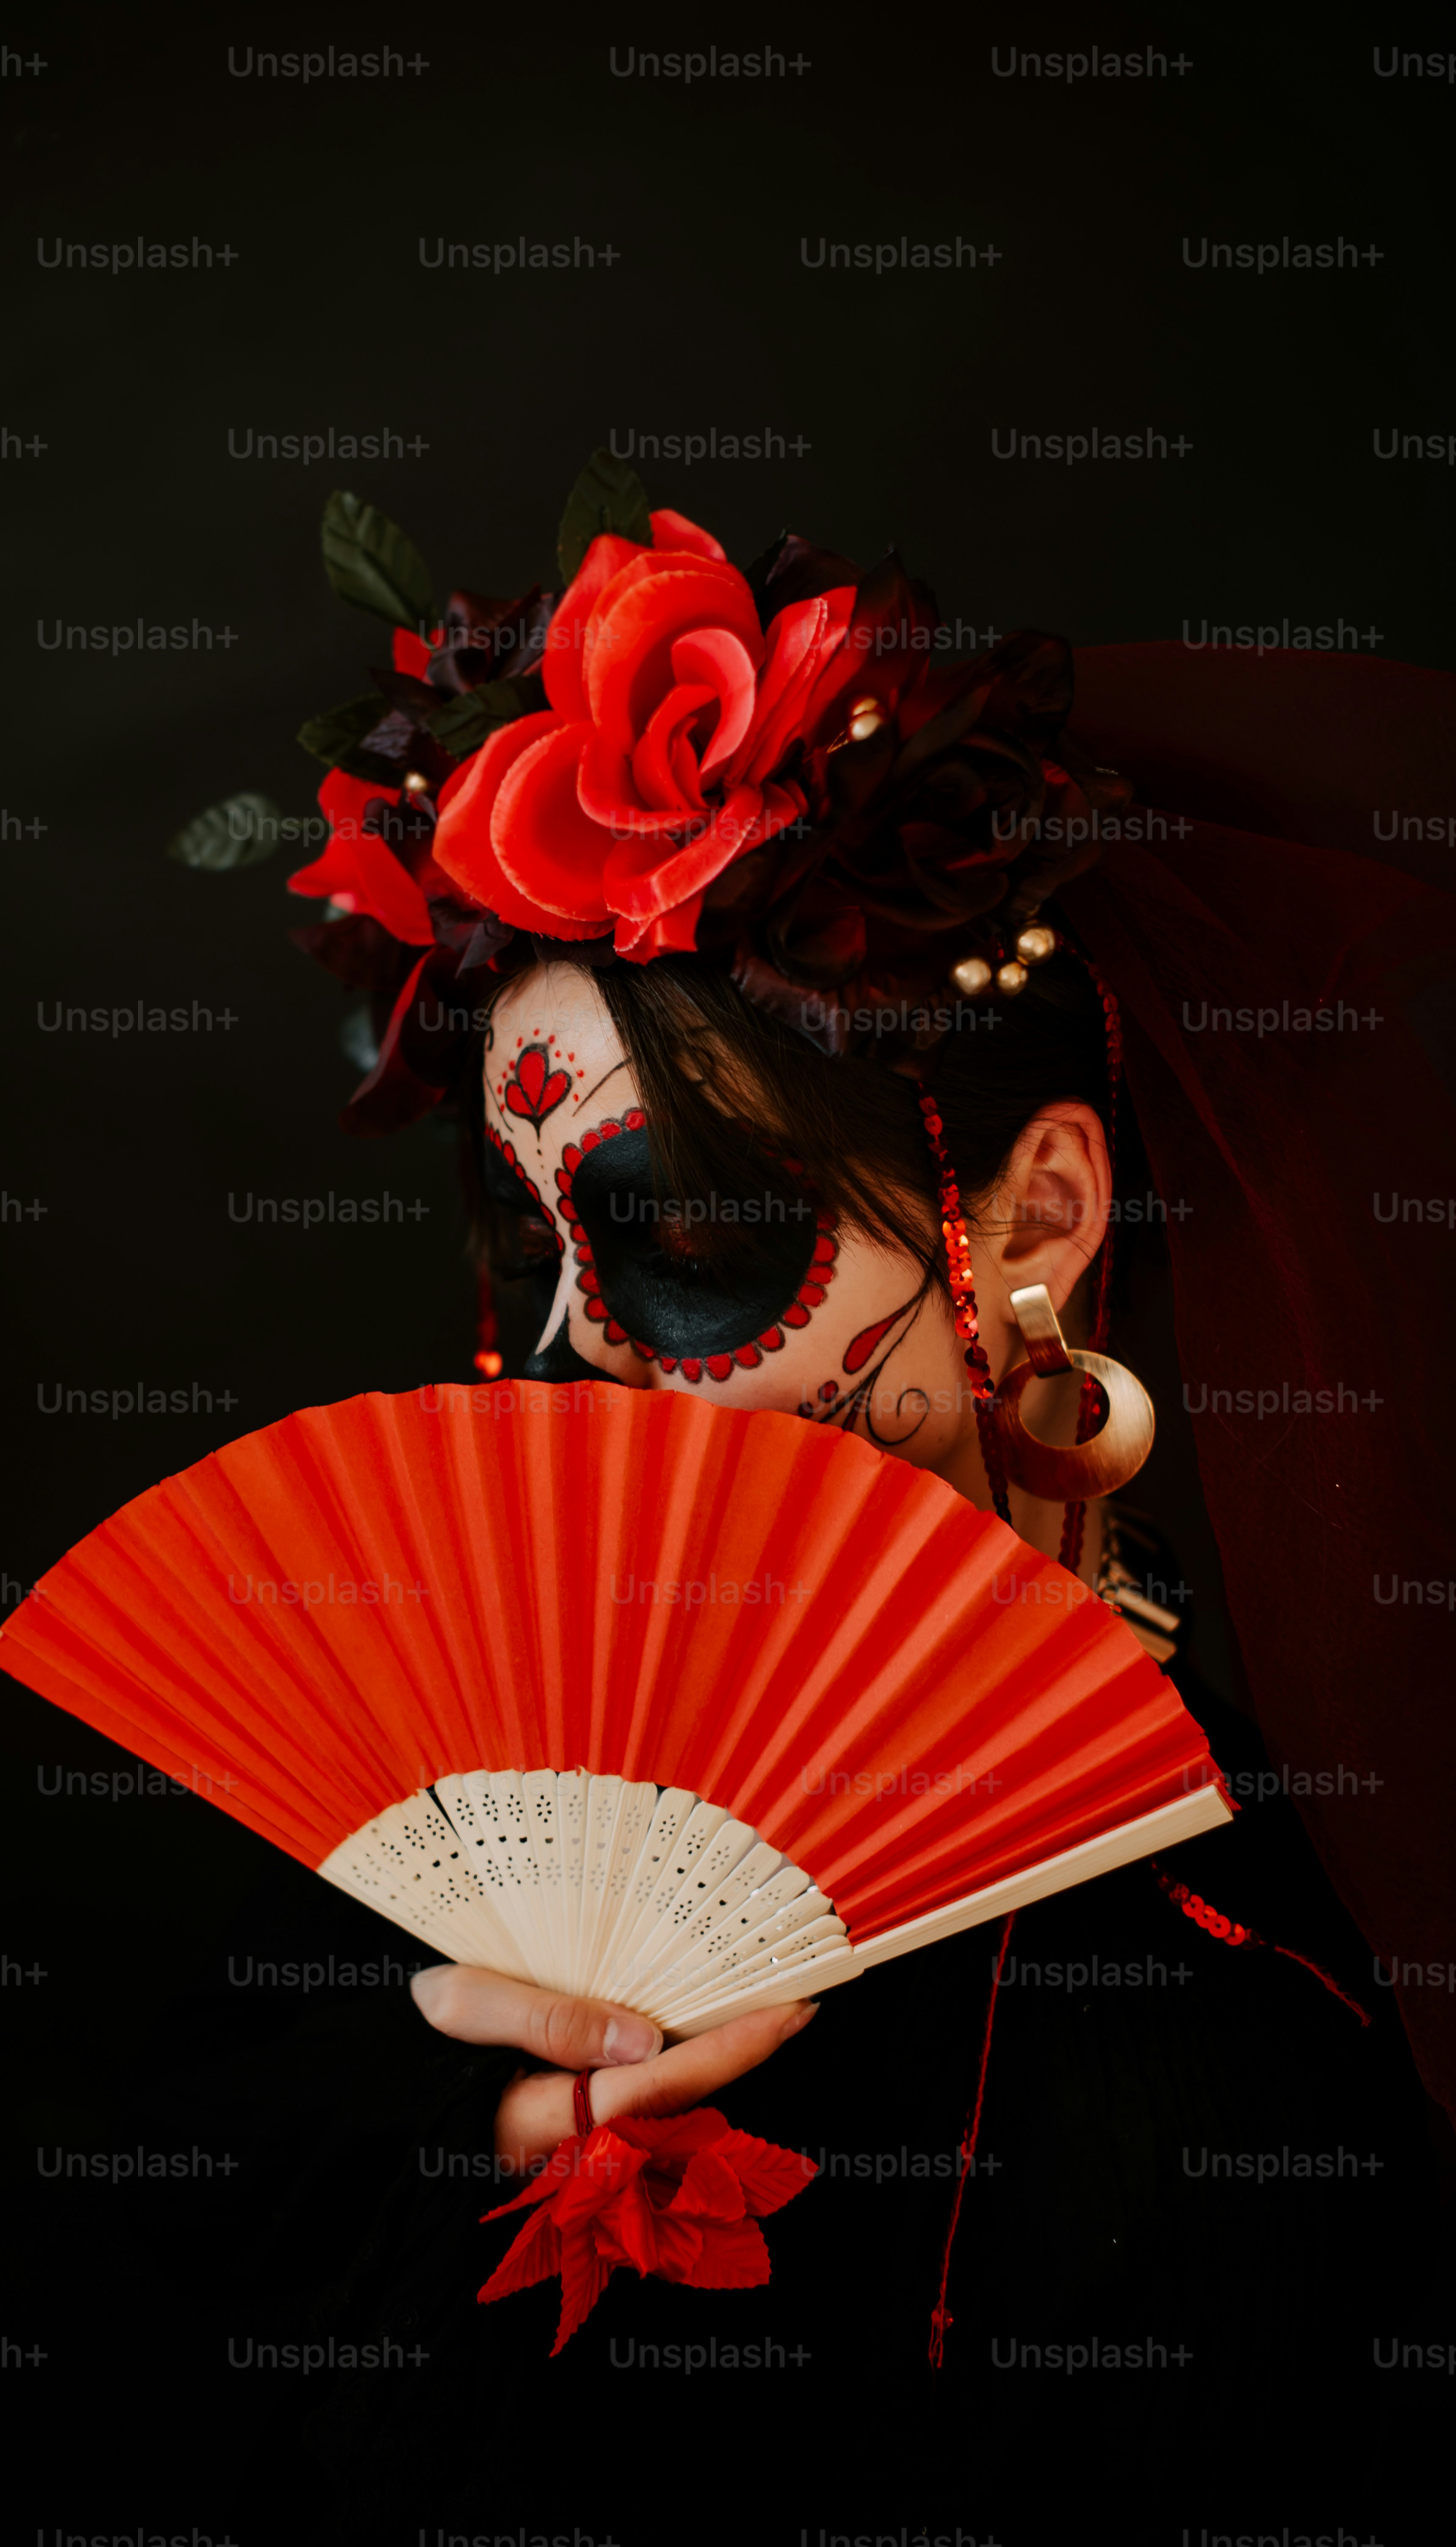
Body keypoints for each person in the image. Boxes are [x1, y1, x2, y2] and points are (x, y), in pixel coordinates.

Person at [124, 478, 1454, 2536]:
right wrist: (471, 2142)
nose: (581, 1349)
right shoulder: (428, 1860)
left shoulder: (1268, 2023)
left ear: (1032, 1224)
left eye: (680, 1236)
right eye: (531, 1236)